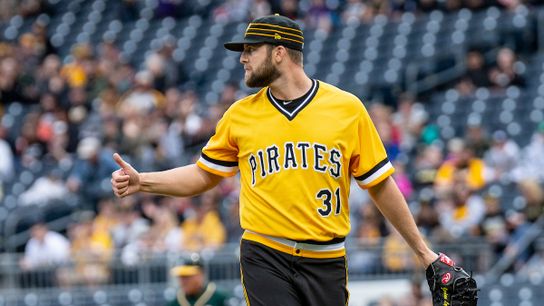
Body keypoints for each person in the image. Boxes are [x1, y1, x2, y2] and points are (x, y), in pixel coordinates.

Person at [112, 14, 438, 306]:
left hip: (326, 257)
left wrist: (424, 254)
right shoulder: (240, 115)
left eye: (250, 50)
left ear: (279, 53)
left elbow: (379, 184)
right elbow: (203, 174)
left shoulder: (347, 109)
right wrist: (144, 182)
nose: (242, 58)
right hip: (265, 252)